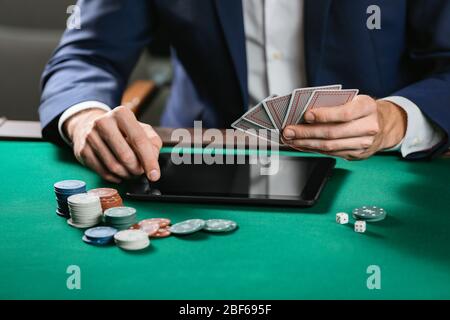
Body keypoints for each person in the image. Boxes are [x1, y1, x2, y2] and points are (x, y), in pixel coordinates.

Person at [39, 0, 450, 183]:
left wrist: (393, 120)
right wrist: (84, 118)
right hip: (198, 163)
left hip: (375, 170)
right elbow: (87, 54)